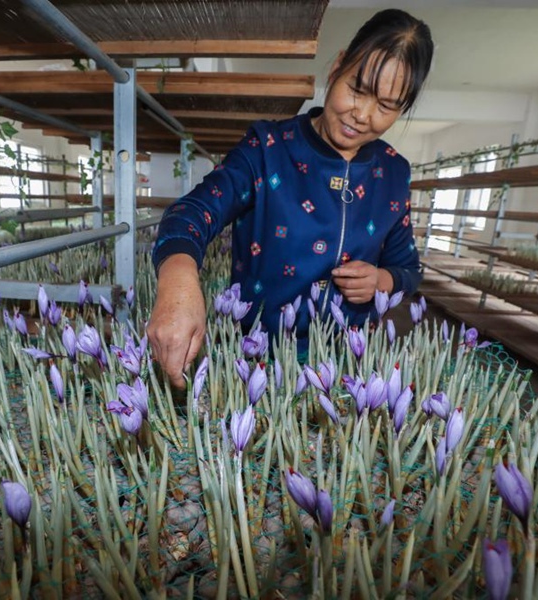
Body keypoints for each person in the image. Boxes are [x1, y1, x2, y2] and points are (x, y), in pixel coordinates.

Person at [148, 8, 435, 388]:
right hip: (256, 360)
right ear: (337, 67)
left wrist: (382, 279)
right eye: (357, 89)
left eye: (385, 106)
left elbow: (408, 269)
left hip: (347, 366)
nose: (363, 115)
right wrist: (178, 283)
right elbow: (193, 212)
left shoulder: (394, 172)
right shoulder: (267, 149)